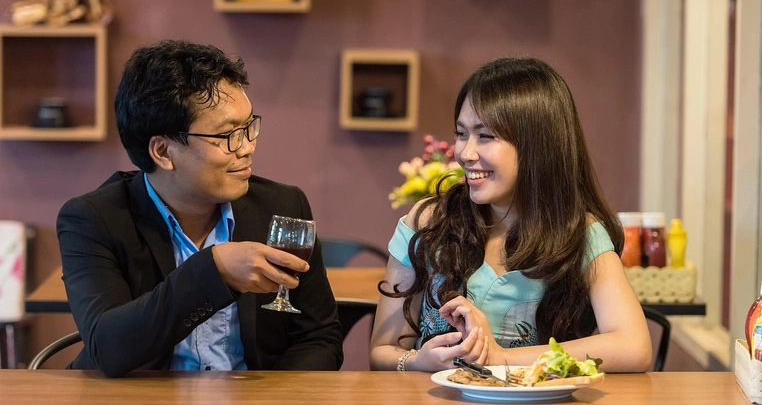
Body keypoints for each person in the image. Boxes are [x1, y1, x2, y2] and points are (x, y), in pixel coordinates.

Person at [57, 40, 343, 377]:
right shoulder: (93, 220)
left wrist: (270, 398)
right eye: (228, 135)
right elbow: (108, 347)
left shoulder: (282, 206)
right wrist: (215, 270)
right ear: (163, 152)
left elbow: (319, 338)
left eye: (249, 127)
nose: (248, 147)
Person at [370, 57, 652, 372]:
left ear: (537, 146)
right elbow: (381, 352)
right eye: (462, 133)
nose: (465, 153)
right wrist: (416, 361)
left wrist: (499, 358)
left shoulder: (579, 233)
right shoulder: (428, 222)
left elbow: (634, 347)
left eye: (485, 136)